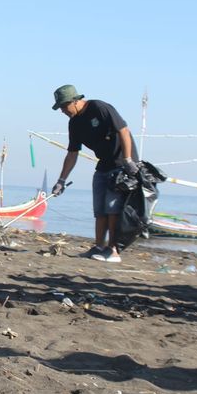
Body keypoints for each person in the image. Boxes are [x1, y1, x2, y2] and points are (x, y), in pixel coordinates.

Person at [51, 84, 139, 264]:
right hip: (104, 165)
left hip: (121, 164)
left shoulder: (99, 108)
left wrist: (128, 160)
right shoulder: (74, 123)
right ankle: (99, 246)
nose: (62, 111)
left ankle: (113, 251)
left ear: (74, 101)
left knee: (112, 208)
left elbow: (124, 130)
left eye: (63, 106)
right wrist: (61, 180)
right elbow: (72, 153)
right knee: (99, 209)